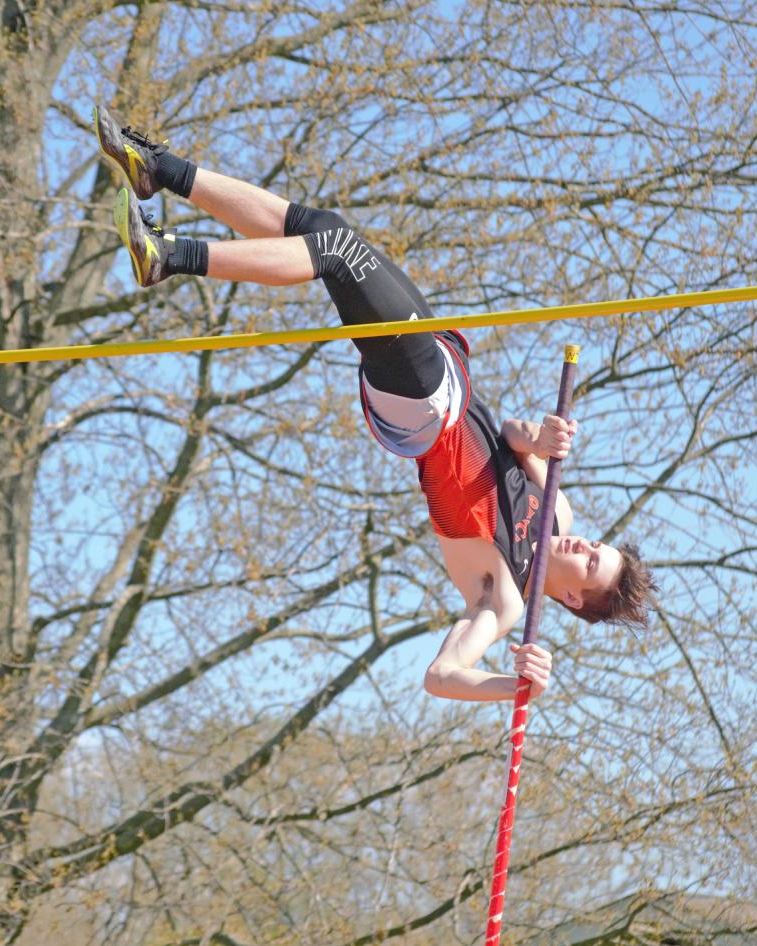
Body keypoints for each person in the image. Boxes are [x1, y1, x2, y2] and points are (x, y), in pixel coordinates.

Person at [93, 105, 656, 703]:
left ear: (573, 598)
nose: (586, 547)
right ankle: (156, 169)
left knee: (336, 251)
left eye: (592, 565)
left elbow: (441, 678)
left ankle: (169, 256)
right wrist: (540, 439)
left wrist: (512, 685)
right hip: (449, 367)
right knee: (322, 225)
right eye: (600, 546)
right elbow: (514, 436)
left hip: (427, 412)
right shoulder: (559, 511)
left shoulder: (504, 594)